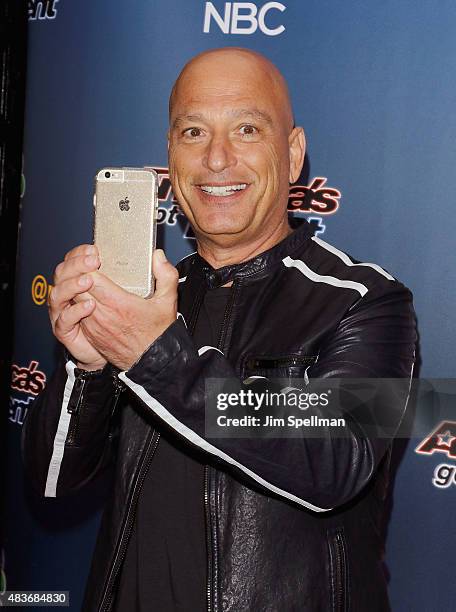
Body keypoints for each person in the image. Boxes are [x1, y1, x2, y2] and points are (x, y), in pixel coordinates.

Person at [22, 47, 416, 611]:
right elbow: (51, 480)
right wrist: (87, 367)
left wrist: (156, 356)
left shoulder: (369, 302)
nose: (217, 159)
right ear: (170, 155)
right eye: (193, 132)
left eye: (248, 129)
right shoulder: (142, 300)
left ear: (294, 153)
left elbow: (337, 461)